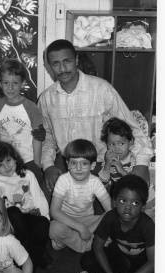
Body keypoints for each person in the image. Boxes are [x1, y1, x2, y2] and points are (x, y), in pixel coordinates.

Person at [38, 39, 153, 195]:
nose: (62, 69)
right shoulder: (46, 98)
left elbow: (131, 128)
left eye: (67, 61)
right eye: (56, 64)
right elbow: (47, 137)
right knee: (46, 200)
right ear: (49, 66)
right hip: (67, 165)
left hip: (102, 164)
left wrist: (142, 163)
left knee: (110, 211)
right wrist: (48, 166)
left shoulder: (101, 89)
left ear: (76, 60)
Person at [77, 175, 154, 273]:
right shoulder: (110, 218)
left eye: (135, 203)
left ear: (143, 207)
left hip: (142, 264)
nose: (128, 207)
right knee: (87, 260)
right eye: (123, 201)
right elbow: (97, 247)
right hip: (120, 260)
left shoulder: (147, 226)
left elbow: (153, 262)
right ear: (114, 202)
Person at [0, 141, 50, 270]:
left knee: (42, 223)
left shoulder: (27, 175)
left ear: (15, 158)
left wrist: (45, 216)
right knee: (13, 211)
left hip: (29, 215)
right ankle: (27, 258)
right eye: (0, 164)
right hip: (8, 221)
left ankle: (34, 257)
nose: (7, 166)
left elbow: (39, 197)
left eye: (8, 161)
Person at [0, 59, 45, 188]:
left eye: (15, 83)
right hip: (4, 162)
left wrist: (36, 162)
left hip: (27, 160)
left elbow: (37, 137)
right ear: (0, 83)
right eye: (6, 83)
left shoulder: (31, 107)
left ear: (22, 83)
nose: (10, 87)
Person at [49, 139, 111, 253]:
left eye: (84, 163)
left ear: (92, 165)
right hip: (66, 220)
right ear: (67, 164)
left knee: (111, 221)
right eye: (74, 163)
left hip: (88, 220)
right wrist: (81, 229)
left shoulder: (95, 182)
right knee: (54, 228)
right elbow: (54, 211)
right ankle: (88, 244)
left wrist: (88, 229)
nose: (78, 168)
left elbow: (110, 210)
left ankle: (70, 242)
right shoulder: (63, 180)